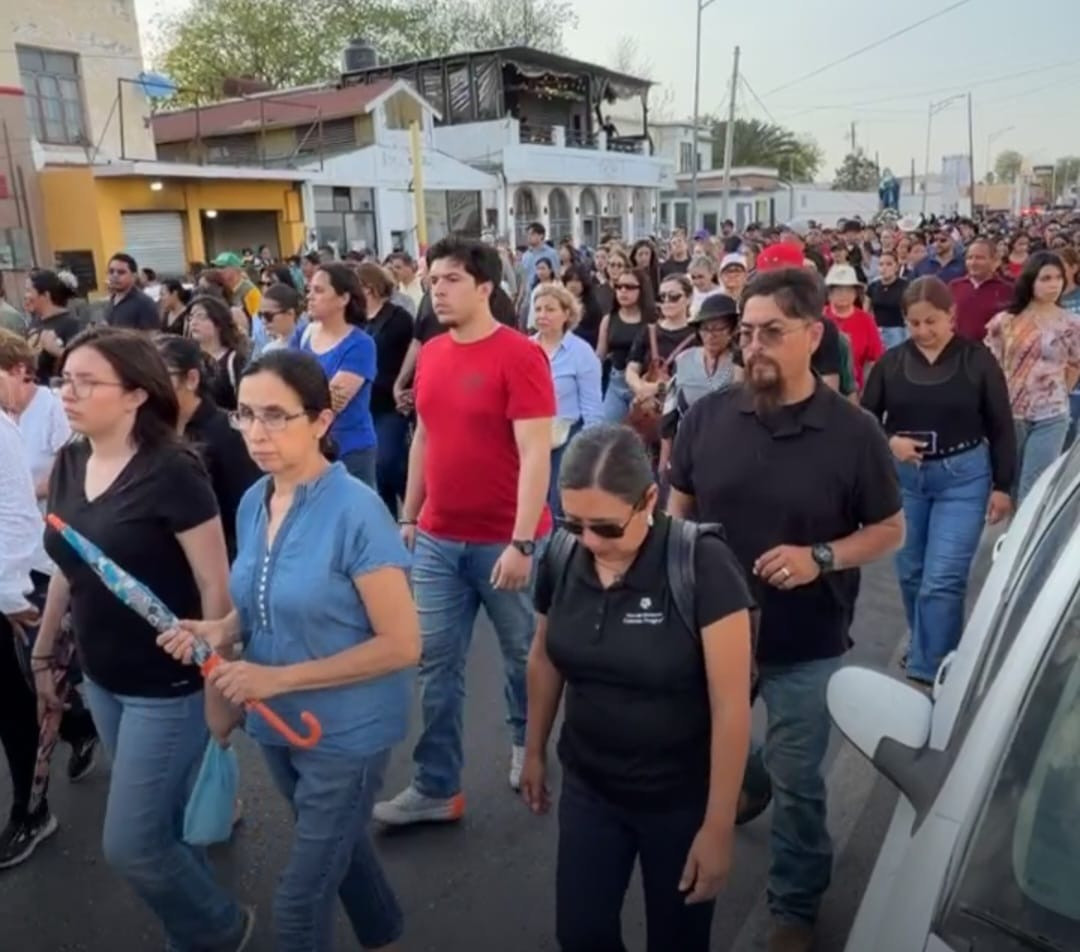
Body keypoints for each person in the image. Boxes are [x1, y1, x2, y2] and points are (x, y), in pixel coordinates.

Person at [668, 267, 904, 952]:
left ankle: (795, 905)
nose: (755, 346)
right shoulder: (709, 417)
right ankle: (749, 778)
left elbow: (890, 531)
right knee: (714, 753)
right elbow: (677, 510)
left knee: (800, 782)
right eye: (747, 333)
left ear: (813, 334)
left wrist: (819, 558)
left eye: (772, 332)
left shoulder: (854, 432)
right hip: (712, 638)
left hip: (808, 639)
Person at [159, 349, 420, 952]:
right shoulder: (254, 502)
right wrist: (219, 631)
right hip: (275, 728)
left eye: (276, 416)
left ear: (321, 422)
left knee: (299, 902)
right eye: (246, 414)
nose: (256, 432)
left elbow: (404, 644)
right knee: (341, 849)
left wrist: (278, 681)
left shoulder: (358, 512)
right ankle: (386, 935)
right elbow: (258, 603)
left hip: (346, 736)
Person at [33, 327, 253, 949]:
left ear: (134, 395)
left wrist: (219, 687)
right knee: (168, 821)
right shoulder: (72, 458)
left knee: (132, 845)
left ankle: (219, 928)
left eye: (85, 381)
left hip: (170, 684)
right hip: (102, 677)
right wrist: (47, 649)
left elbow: (216, 586)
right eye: (63, 379)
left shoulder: (173, 469)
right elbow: (70, 561)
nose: (67, 392)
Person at [521, 424, 753, 952]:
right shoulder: (562, 555)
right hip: (590, 787)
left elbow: (730, 705)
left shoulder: (702, 564)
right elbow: (544, 657)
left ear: (650, 498)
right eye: (572, 522)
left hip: (678, 799)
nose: (589, 542)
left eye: (605, 527)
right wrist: (532, 750)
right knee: (581, 935)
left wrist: (718, 827)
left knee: (677, 941)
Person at [374, 236, 554, 826]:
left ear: (485, 288)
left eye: (451, 279)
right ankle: (436, 785)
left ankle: (527, 748)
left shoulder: (520, 355)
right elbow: (425, 436)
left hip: (506, 540)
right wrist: (410, 516)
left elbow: (535, 455)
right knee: (435, 665)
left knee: (520, 658)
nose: (438, 289)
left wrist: (523, 542)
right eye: (432, 279)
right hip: (437, 540)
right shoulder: (432, 354)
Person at [862, 277, 1015, 686]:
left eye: (932, 321)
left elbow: (1001, 425)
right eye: (914, 323)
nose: (923, 332)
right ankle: (926, 641)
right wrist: (889, 441)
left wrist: (1003, 485)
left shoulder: (976, 359)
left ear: (951, 316)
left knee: (943, 577)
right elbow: (864, 420)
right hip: (907, 482)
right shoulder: (892, 363)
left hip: (963, 478)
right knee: (911, 571)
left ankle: (933, 669)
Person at [985, 251, 1080, 503]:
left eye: (1058, 277)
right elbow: (991, 365)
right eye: (1046, 278)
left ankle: (1024, 539)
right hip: (1010, 412)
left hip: (1052, 414)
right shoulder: (1004, 322)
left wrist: (1059, 392)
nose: (1054, 284)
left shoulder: (1071, 324)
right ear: (1030, 281)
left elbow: (1075, 363)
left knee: (1034, 484)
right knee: (1009, 482)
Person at [156, 336, 262, 560]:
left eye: (160, 376)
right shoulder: (154, 431)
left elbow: (248, 511)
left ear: (191, 379)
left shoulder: (228, 432)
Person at [301, 263, 378, 488]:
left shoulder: (360, 344)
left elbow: (333, 401)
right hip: (310, 446)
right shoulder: (305, 333)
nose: (310, 297)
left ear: (343, 298)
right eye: (309, 290)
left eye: (319, 291)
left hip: (349, 449)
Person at [531, 284, 603, 517]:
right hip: (530, 436)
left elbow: (592, 408)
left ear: (567, 314)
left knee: (557, 504)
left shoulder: (581, 352)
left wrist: (587, 451)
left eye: (550, 309)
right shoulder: (525, 348)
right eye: (538, 309)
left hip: (566, 436)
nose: (542, 315)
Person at [356, 262, 414, 515]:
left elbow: (414, 355)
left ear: (368, 288)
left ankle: (414, 511)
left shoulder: (397, 318)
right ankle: (387, 519)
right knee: (376, 471)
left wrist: (407, 388)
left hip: (390, 403)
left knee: (389, 460)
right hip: (363, 404)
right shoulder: (355, 321)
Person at [0, 329, 71, 503]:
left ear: (18, 371)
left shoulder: (56, 408)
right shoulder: (5, 416)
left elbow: (69, 474)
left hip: (47, 520)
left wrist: (20, 495)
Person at [597, 269, 656, 422]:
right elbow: (600, 355)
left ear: (641, 290)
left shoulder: (652, 320)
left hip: (644, 382)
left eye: (629, 287)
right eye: (619, 286)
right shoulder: (609, 319)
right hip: (616, 381)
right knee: (607, 431)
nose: (623, 291)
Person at [824, 264, 883, 391]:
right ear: (829, 293)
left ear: (855, 293)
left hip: (856, 391)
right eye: (838, 290)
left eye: (848, 290)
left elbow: (873, 360)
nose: (843, 294)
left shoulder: (866, 320)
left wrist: (866, 392)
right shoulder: (819, 318)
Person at [187, 295, 250, 411]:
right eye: (191, 318)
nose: (193, 322)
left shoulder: (233, 359)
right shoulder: (188, 357)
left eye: (201, 317)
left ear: (218, 323)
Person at [948, 238, 1013, 342]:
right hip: (957, 352)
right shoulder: (954, 286)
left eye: (980, 258)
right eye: (969, 258)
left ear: (995, 261)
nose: (973, 262)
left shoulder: (1007, 290)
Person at [24, 270, 81, 385]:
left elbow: (83, 362)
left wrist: (57, 351)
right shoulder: (36, 321)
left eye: (29, 291)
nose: (26, 296)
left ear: (46, 295)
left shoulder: (71, 324)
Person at [103, 254, 161, 331]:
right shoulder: (112, 300)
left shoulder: (144, 303)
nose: (115, 275)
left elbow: (152, 337)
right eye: (111, 271)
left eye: (121, 272)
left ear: (134, 276)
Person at [865, 250, 909, 349]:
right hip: (877, 330)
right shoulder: (873, 286)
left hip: (898, 331)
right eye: (881, 264)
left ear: (896, 267)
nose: (884, 268)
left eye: (889, 264)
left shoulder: (905, 286)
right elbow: (866, 311)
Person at [212, 252, 262, 333]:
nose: (217, 271)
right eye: (216, 267)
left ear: (234, 269)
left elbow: (258, 323)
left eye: (222, 267)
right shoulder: (221, 289)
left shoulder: (251, 291)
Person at [257, 282, 305, 352]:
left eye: (268, 316)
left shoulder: (308, 344)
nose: (263, 321)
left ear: (290, 313)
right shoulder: (269, 350)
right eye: (260, 315)